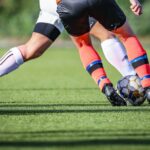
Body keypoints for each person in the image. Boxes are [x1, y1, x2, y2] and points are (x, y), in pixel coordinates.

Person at [0, 0, 137, 106]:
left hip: (49, 4)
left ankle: (122, 81)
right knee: (105, 36)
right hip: (66, 2)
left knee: (31, 50)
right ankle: (134, 79)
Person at [56, 0, 150, 104]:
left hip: (68, 4)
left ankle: (105, 85)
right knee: (127, 36)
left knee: (83, 44)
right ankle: (148, 84)